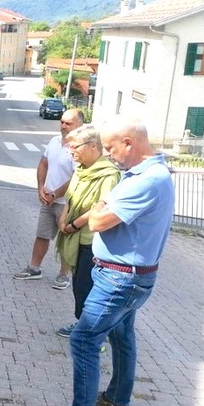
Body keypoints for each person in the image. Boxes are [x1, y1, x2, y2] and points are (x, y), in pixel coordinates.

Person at [34, 115, 175, 406]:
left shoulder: (145, 180)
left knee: (83, 340)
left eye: (111, 148)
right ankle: (117, 400)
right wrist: (103, 204)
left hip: (120, 278)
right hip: (132, 276)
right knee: (122, 334)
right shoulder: (149, 173)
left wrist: (100, 206)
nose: (109, 154)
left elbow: (97, 221)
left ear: (129, 143)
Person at [54, 125, 120, 338]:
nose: (71, 152)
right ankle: (83, 325)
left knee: (87, 287)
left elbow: (99, 207)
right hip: (74, 236)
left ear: (93, 146)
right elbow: (71, 199)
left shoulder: (109, 174)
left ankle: (92, 334)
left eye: (75, 147)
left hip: (92, 240)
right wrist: (63, 218)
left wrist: (73, 225)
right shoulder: (81, 170)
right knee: (78, 285)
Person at [14, 108, 83, 289]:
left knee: (66, 241)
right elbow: (43, 163)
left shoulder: (79, 149)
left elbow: (76, 178)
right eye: (62, 122)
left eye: (69, 123)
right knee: (42, 235)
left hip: (67, 203)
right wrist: (40, 189)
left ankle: (63, 275)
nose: (63, 126)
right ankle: (34, 268)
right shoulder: (54, 142)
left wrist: (55, 194)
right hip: (48, 200)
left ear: (80, 125)